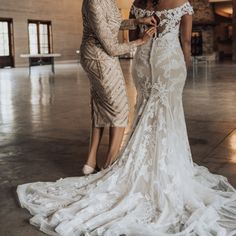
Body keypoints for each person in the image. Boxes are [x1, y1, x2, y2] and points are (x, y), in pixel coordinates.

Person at [17, 0, 236, 235]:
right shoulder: (181, 3)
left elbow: (125, 32)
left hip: (141, 63)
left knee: (140, 111)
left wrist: (141, 30)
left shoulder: (137, 3)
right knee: (161, 113)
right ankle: (132, 162)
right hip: (166, 61)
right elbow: (184, 43)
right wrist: (183, 60)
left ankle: (105, 161)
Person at [80, 0, 156, 174]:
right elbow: (112, 48)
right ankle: (109, 168)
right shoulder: (93, 2)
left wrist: (138, 22)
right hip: (100, 58)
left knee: (100, 107)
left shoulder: (108, 1)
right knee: (120, 110)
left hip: (100, 57)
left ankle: (90, 163)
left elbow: (113, 25)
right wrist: (140, 41)